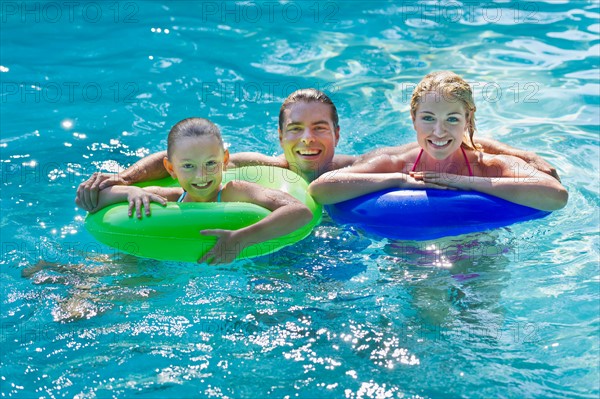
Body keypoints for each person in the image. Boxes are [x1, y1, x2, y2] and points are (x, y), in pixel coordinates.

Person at [76, 88, 561, 210]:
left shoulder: (361, 167)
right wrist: (120, 178)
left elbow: (438, 139)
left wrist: (522, 154)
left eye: (320, 128)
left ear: (338, 134)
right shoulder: (252, 165)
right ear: (280, 137)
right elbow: (180, 161)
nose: (308, 140)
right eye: (296, 130)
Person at [308, 71, 568, 211]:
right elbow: (321, 189)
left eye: (452, 120)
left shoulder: (487, 165)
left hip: (477, 245)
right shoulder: (398, 164)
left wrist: (466, 182)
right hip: (414, 250)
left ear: (467, 120)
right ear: (413, 119)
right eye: (428, 118)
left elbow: (556, 197)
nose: (439, 131)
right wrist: (398, 180)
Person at [76, 117, 313, 265]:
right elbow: (97, 201)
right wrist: (129, 193)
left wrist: (242, 238)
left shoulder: (235, 191)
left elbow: (300, 212)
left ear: (225, 159)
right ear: (170, 168)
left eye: (211, 163)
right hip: (163, 262)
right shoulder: (169, 197)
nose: (201, 176)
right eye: (188, 166)